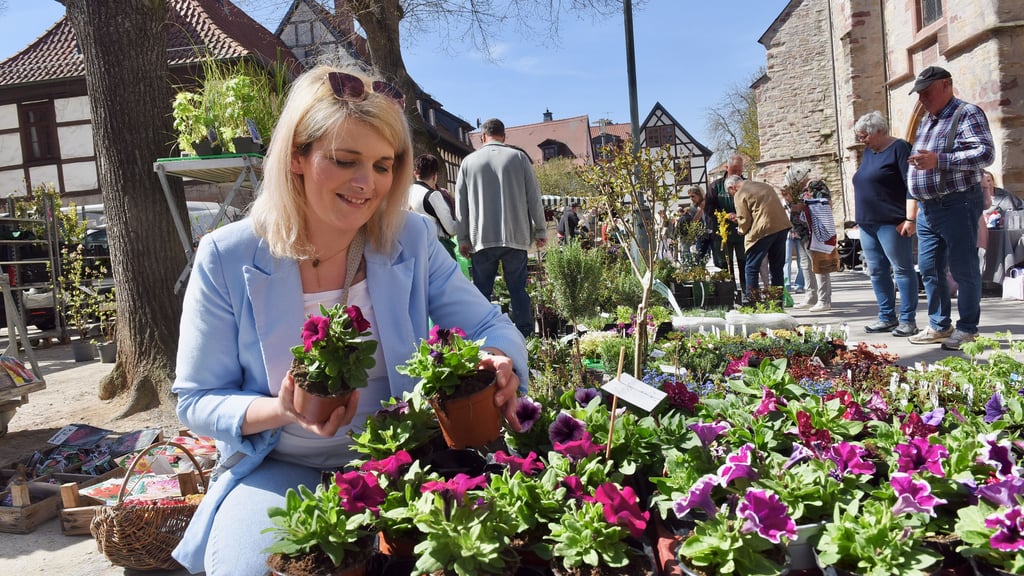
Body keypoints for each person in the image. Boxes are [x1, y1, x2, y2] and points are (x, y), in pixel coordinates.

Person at [170, 64, 527, 576]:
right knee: (250, 568)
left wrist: (499, 360)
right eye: (344, 160)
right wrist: (285, 411)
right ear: (297, 155)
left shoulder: (412, 238)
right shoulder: (228, 256)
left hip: (406, 456)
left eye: (384, 166)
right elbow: (197, 399)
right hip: (282, 464)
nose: (368, 184)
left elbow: (491, 326)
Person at [904, 66, 995, 350]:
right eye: (918, 93)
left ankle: (967, 328)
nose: (921, 98)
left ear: (946, 85)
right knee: (929, 268)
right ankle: (940, 325)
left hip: (957, 202)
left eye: (926, 92)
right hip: (928, 208)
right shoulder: (926, 120)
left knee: (963, 268)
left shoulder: (966, 113)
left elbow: (985, 152)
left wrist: (938, 160)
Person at [456, 118, 548, 337]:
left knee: (481, 293)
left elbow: (461, 204)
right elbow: (534, 197)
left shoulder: (468, 162)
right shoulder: (519, 158)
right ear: (504, 136)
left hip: (482, 237)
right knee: (517, 290)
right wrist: (541, 230)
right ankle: (525, 336)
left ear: (482, 136)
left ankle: (480, 336)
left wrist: (463, 238)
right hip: (515, 236)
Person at [851, 111, 919, 337]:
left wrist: (910, 218)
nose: (862, 141)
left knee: (902, 270)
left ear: (878, 131)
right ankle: (886, 316)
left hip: (892, 222)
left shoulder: (899, 148)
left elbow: (911, 184)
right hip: (867, 223)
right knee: (877, 271)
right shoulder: (870, 152)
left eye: (864, 136)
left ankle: (908, 320)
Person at [726, 176, 791, 301]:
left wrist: (740, 229)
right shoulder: (764, 186)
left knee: (751, 267)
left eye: (730, 193)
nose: (731, 195)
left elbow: (744, 221)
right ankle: (777, 303)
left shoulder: (740, 193)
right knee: (777, 268)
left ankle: (754, 302)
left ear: (732, 187)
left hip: (764, 229)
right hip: (782, 226)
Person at [784, 163, 835, 312]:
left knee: (819, 265)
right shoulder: (801, 190)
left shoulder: (815, 185)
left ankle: (824, 299)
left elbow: (824, 205)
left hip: (814, 232)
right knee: (806, 265)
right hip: (802, 233)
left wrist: (802, 206)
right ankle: (811, 296)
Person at [705, 154, 747, 292]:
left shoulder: (747, 185)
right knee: (724, 265)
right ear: (726, 168)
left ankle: (748, 293)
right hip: (722, 234)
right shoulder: (715, 187)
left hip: (742, 233)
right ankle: (728, 293)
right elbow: (709, 209)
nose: (738, 174)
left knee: (745, 264)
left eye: (740, 170)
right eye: (734, 170)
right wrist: (724, 215)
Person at [408, 153, 458, 259]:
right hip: (435, 250)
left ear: (415, 173)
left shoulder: (405, 193)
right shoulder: (434, 195)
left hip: (411, 247)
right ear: (435, 175)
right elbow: (451, 229)